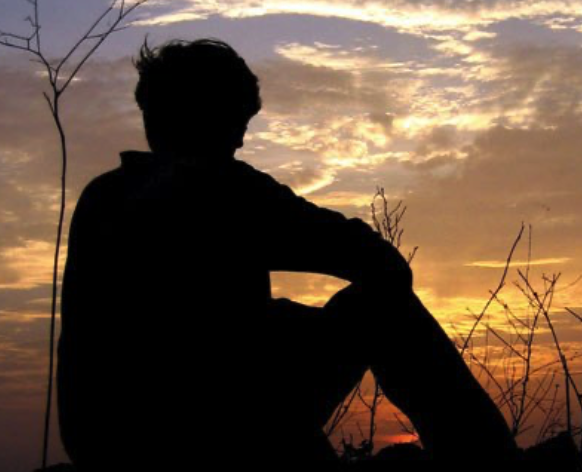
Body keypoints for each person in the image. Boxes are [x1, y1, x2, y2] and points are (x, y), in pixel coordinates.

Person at [57, 38, 518, 471]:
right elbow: (380, 263)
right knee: (384, 307)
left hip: (103, 441)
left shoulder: (103, 195)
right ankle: (488, 462)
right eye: (239, 123)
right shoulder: (224, 189)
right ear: (213, 117)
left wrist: (273, 318)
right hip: (211, 430)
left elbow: (178, 319)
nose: (241, 142)